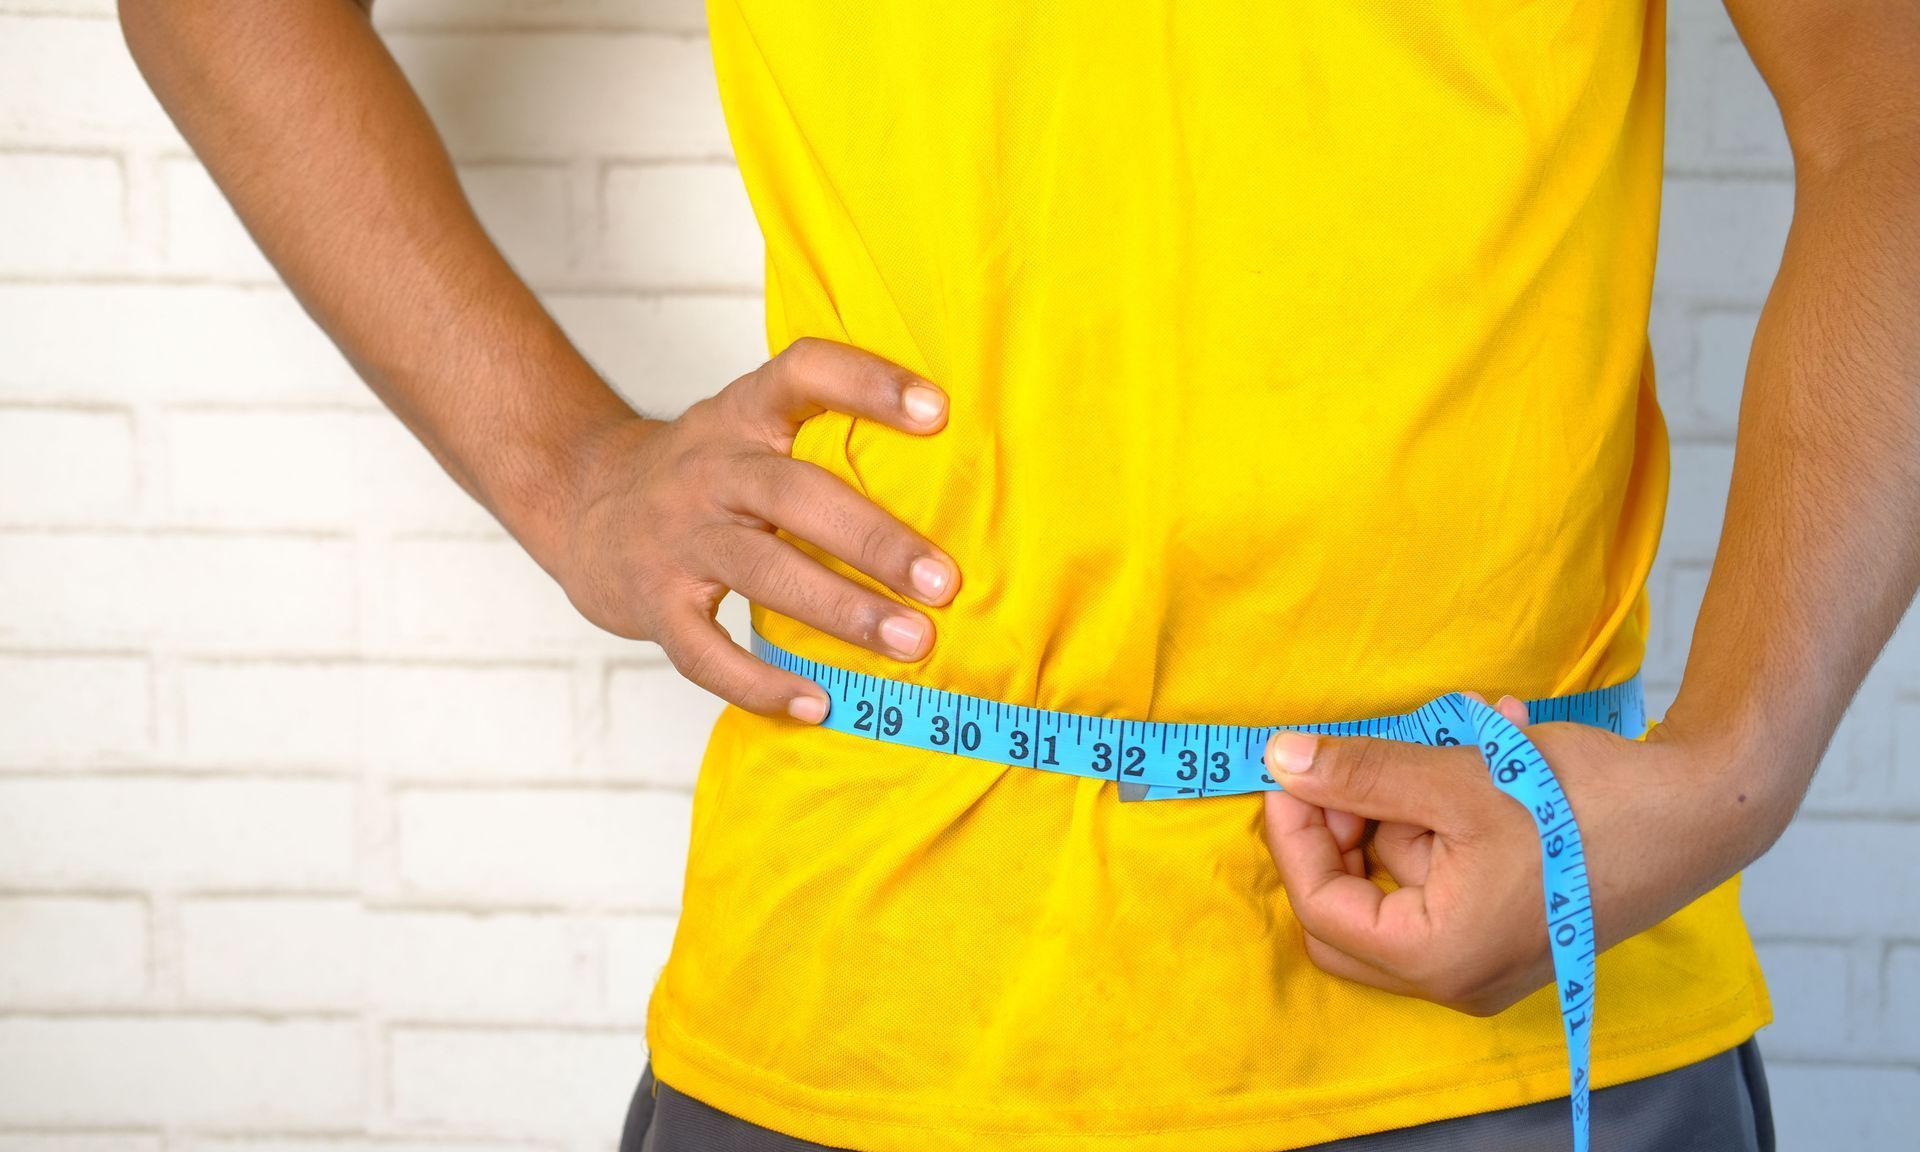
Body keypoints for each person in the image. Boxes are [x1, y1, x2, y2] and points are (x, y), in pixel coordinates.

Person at [121, 1, 1920, 1149]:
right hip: (878, 999)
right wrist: (568, 473)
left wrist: (1734, 770)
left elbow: (1891, 111)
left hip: (1532, 998)